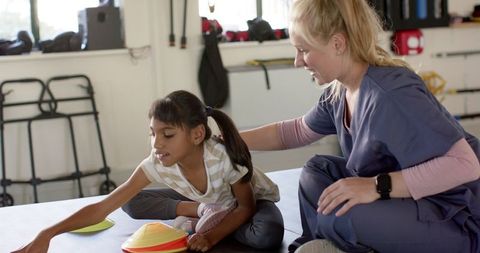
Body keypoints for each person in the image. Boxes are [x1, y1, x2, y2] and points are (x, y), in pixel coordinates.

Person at [240, 0, 480, 253]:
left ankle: (336, 238)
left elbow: (465, 165)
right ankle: (329, 241)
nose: (298, 62)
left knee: (339, 217)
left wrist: (377, 186)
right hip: (407, 199)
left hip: (453, 214)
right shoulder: (340, 90)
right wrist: (229, 138)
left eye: (303, 50)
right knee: (316, 172)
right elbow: (295, 131)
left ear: (337, 43)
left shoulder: (391, 94)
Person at [13, 90, 284, 253]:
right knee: (131, 201)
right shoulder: (156, 163)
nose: (156, 143)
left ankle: (210, 218)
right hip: (210, 203)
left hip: (250, 204)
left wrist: (209, 237)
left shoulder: (222, 159)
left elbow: (245, 208)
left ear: (197, 134)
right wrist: (47, 233)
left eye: (167, 134)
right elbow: (103, 208)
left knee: (267, 234)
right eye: (152, 133)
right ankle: (203, 212)